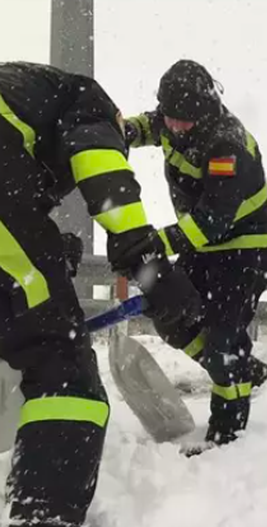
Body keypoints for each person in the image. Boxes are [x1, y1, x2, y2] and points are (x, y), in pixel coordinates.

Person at [0, 61, 201, 527]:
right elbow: (102, 170)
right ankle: (44, 515)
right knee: (59, 361)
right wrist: (143, 258)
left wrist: (49, 244)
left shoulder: (27, 96)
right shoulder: (91, 102)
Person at [124, 59, 267, 451]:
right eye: (170, 117)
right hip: (205, 245)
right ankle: (239, 369)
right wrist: (121, 131)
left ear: (205, 110)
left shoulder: (226, 145)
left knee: (225, 340)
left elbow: (213, 221)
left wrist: (158, 242)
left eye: (184, 121)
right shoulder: (171, 118)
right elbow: (148, 126)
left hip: (247, 248)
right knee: (171, 311)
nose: (174, 127)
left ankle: (228, 436)